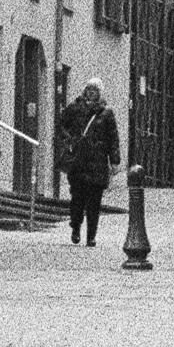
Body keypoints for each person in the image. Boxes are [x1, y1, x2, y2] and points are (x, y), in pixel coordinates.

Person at [56, 81, 120, 247]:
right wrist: (69, 140)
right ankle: (75, 226)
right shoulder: (75, 108)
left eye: (95, 90)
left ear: (100, 93)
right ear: (85, 91)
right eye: (89, 89)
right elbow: (61, 125)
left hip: (98, 162)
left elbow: (113, 139)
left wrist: (114, 161)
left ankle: (91, 235)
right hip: (79, 161)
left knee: (94, 202)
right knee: (77, 198)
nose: (91, 93)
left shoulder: (106, 114)